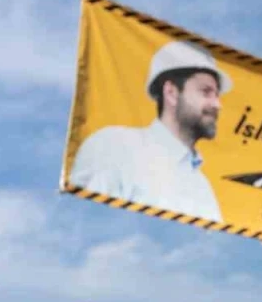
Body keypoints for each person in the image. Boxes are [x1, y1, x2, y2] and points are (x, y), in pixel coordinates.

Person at [70, 40, 228, 222]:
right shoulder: (114, 146)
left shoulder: (203, 188)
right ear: (171, 93)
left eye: (217, 95)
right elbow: (82, 226)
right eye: (206, 92)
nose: (217, 105)